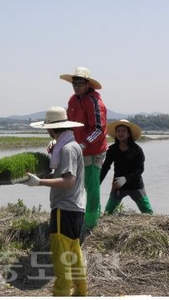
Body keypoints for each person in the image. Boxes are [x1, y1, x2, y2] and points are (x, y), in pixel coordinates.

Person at [22, 106, 87, 296]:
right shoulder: (71, 145)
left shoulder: (66, 149)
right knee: (74, 255)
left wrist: (39, 182)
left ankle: (61, 294)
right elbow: (63, 175)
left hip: (63, 210)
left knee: (61, 262)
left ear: (50, 128)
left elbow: (68, 181)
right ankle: (80, 293)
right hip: (76, 210)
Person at [60, 67, 108, 232]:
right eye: (74, 83)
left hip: (93, 151)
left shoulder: (94, 102)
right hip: (77, 150)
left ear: (87, 84)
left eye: (80, 83)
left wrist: (83, 144)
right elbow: (68, 125)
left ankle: (91, 222)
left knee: (92, 186)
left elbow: (98, 129)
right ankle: (79, 216)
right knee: (76, 185)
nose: (77, 86)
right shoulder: (73, 100)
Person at [100, 119, 153, 214]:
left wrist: (126, 179)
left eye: (123, 131)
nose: (120, 133)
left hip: (136, 185)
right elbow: (105, 167)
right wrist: (98, 182)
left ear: (129, 134)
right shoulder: (112, 150)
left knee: (148, 212)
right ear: (116, 134)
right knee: (108, 212)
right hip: (118, 185)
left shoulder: (137, 150)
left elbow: (140, 169)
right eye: (118, 131)